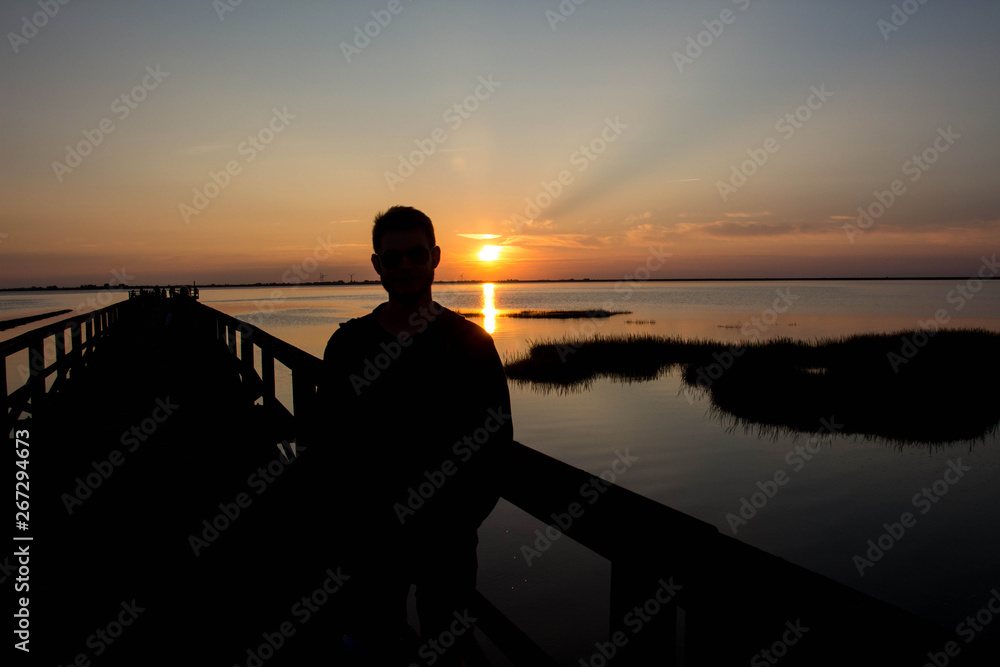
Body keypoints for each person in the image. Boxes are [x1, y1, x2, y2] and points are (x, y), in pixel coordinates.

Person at [314, 206, 513, 665]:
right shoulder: (348, 344)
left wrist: (461, 520)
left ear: (435, 257)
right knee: (368, 640)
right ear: (376, 264)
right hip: (367, 535)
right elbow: (326, 443)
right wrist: (342, 521)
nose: (404, 266)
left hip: (447, 538)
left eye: (415, 254)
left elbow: (496, 444)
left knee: (452, 644)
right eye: (392, 258)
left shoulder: (471, 343)